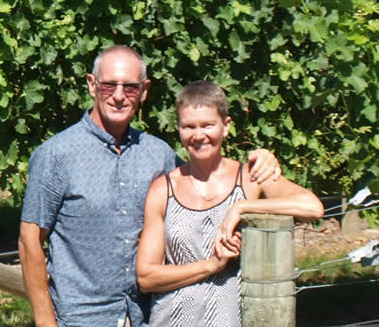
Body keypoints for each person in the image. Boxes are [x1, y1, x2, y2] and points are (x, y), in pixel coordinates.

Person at [19, 46, 284, 327]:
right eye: (109, 85)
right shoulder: (56, 155)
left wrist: (264, 162)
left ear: (144, 90)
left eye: (130, 87)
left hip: (147, 316)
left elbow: (207, 181)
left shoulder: (158, 154)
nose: (119, 96)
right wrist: (46, 323)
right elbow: (29, 241)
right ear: (92, 85)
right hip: (81, 317)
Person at [135, 81, 322, 327]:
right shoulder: (163, 189)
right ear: (178, 129)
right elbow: (147, 277)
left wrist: (242, 207)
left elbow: (312, 208)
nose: (198, 135)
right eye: (189, 126)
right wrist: (211, 265)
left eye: (207, 125)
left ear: (226, 126)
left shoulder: (250, 178)